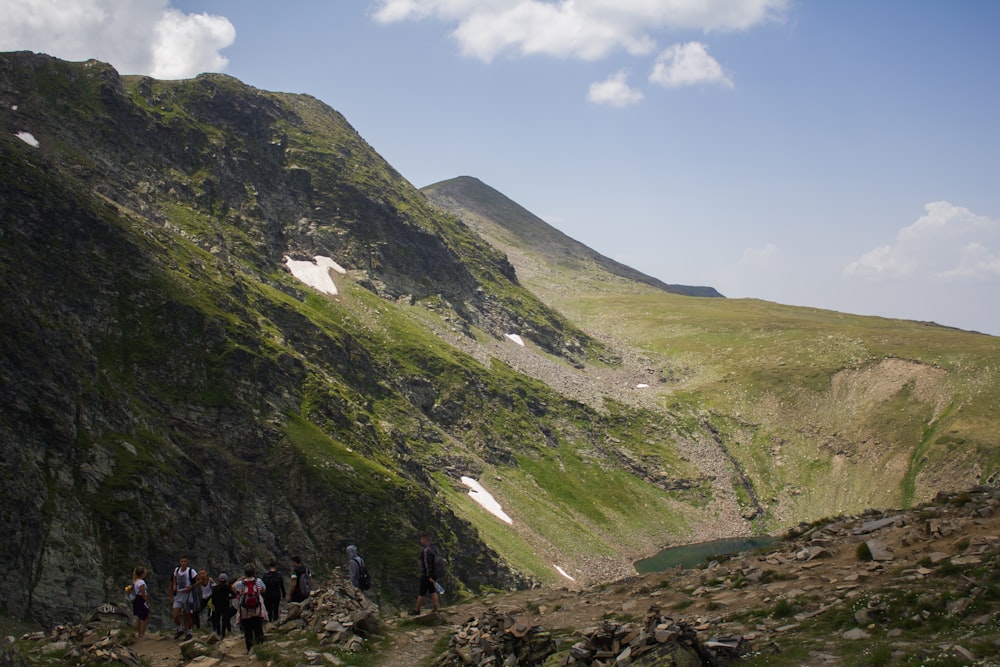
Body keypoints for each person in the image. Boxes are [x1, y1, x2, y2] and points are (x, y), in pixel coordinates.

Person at [233, 563, 267, 653]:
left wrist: (240, 579)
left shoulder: (241, 583)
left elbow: (233, 588)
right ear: (254, 572)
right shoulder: (258, 581)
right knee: (258, 629)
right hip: (257, 610)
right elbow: (264, 589)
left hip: (245, 611)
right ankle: (260, 649)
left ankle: (249, 650)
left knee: (248, 631)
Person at [410, 533, 442, 615]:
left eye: (421, 539)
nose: (420, 541)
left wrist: (429, 575)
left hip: (427, 575)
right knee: (432, 591)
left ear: (425, 539)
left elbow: (428, 564)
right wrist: (433, 576)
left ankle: (417, 610)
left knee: (422, 592)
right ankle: (435, 609)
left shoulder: (426, 550)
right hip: (434, 574)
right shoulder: (434, 548)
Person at [170, 555, 197, 640]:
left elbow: (199, 580)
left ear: (187, 562)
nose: (183, 563)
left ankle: (189, 632)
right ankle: (179, 628)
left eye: (184, 561)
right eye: (181, 561)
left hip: (188, 595)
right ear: (179, 562)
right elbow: (174, 577)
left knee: (187, 615)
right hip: (178, 594)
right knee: (175, 614)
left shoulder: (191, 571)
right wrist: (174, 585)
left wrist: (191, 586)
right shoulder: (177, 570)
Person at [209, 573, 235, 638]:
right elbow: (234, 595)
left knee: (217, 619)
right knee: (224, 620)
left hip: (217, 606)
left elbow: (213, 597)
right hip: (225, 605)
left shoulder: (216, 588)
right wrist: (228, 598)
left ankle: (218, 633)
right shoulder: (227, 587)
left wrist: (214, 604)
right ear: (226, 580)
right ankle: (223, 634)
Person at [261, 557, 285, 622]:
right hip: (276, 595)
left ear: (269, 566)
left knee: (269, 610)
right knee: (276, 610)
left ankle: (269, 623)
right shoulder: (279, 575)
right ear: (275, 566)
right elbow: (282, 586)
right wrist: (284, 594)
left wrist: (263, 595)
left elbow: (262, 587)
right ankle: (275, 623)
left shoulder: (265, 575)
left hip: (268, 595)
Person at [131, 566, 150, 638]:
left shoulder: (136, 581)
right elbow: (143, 593)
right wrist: (147, 601)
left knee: (139, 616)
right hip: (141, 599)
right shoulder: (141, 582)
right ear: (142, 573)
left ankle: (139, 633)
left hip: (137, 599)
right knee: (146, 616)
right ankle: (142, 634)